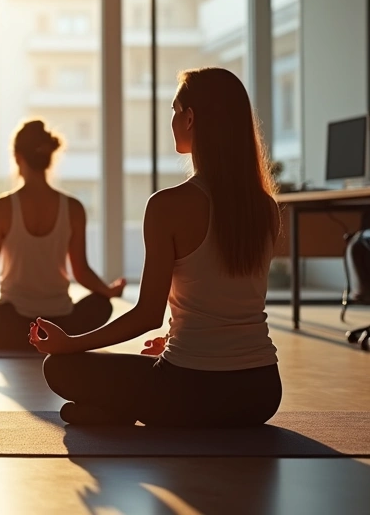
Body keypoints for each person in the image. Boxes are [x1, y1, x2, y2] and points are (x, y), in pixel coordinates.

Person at [31, 68, 282, 428]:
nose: (173, 120)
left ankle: (122, 410)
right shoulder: (266, 208)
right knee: (146, 378)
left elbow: (148, 314)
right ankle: (124, 409)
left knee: (59, 367)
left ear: (190, 117)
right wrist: (174, 339)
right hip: (259, 393)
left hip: (188, 388)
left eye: (175, 110)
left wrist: (70, 343)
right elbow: (228, 299)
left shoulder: (168, 205)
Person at [0, 120, 122, 349]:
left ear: (18, 157)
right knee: (102, 304)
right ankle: (45, 339)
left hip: (10, 319)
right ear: (49, 157)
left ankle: (5, 338)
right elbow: (81, 271)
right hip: (61, 322)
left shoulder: (0, 207)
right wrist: (107, 291)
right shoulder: (74, 208)